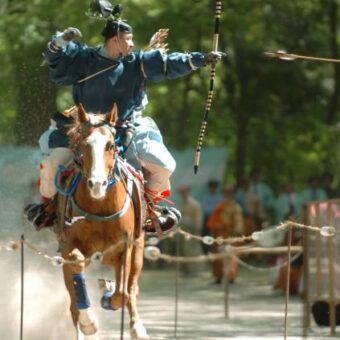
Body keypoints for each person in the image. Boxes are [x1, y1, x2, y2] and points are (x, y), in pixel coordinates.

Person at [24, 1, 226, 234]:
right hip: (85, 130)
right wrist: (62, 39)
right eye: (128, 39)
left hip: (125, 130)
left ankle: (150, 210)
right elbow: (53, 56)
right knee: (52, 164)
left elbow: (168, 64)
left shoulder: (136, 63)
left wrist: (202, 59)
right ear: (115, 40)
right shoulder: (85, 59)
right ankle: (48, 209)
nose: (131, 44)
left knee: (164, 166)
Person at [207, 185, 243, 284]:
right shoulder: (220, 206)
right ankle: (218, 276)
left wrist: (235, 232)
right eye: (226, 194)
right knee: (218, 256)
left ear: (233, 195)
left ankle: (231, 277)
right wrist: (215, 227)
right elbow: (213, 220)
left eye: (230, 193)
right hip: (219, 235)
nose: (228, 196)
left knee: (231, 256)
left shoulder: (236, 207)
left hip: (230, 235)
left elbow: (239, 223)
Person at [176, 184, 203, 276]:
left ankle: (193, 270)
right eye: (181, 193)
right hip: (182, 231)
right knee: (182, 251)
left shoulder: (194, 204)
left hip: (191, 231)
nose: (182, 194)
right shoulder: (181, 204)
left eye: (184, 192)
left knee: (191, 251)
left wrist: (197, 230)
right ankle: (185, 270)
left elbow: (198, 218)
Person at [200, 180, 223, 254]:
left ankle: (216, 251)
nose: (212, 189)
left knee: (216, 235)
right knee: (205, 235)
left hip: (217, 220)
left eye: (214, 187)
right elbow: (204, 208)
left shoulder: (219, 197)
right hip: (207, 219)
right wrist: (213, 211)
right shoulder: (205, 196)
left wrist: (214, 211)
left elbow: (220, 208)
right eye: (211, 187)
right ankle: (206, 251)